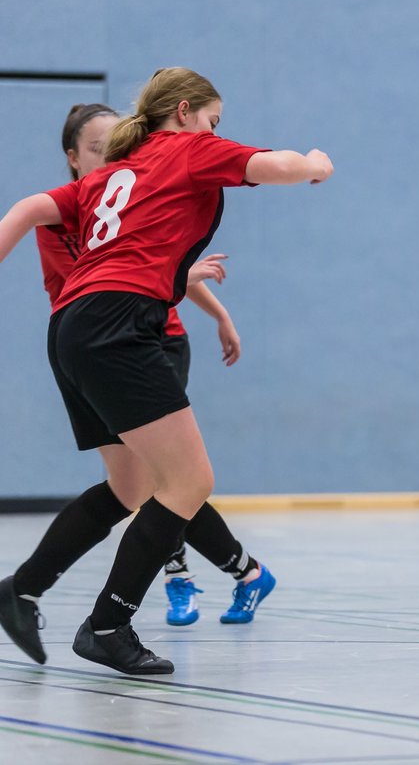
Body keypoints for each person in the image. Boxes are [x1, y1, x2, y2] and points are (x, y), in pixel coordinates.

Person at [0, 67, 332, 674]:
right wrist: (315, 161)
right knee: (188, 482)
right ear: (184, 111)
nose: (215, 132)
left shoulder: (108, 178)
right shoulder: (186, 149)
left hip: (72, 327)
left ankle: (23, 588)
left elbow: (32, 208)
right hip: (119, 326)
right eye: (213, 120)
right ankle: (108, 623)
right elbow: (282, 166)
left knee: (132, 485)